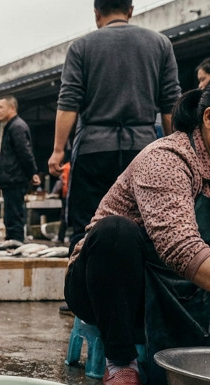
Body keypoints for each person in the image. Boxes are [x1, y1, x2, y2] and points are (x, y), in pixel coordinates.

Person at [65, 87, 210, 385]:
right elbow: (182, 248)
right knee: (115, 232)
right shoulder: (167, 158)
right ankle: (121, 360)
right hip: (105, 286)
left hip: (177, 294)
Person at [48, 0, 181, 251]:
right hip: (143, 151)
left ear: (97, 14)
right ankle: (138, 289)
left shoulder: (81, 47)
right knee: (146, 227)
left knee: (86, 227)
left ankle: (83, 288)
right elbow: (170, 105)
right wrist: (174, 151)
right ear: (130, 10)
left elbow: (68, 103)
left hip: (93, 150)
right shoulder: (160, 44)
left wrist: (57, 150)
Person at [0, 95, 41, 246]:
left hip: (15, 178)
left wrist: (32, 172)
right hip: (10, 178)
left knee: (14, 214)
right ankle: (12, 241)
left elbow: (24, 152)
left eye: (1, 107)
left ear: (12, 108)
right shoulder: (11, 126)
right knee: (10, 214)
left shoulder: (17, 127)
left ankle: (16, 242)